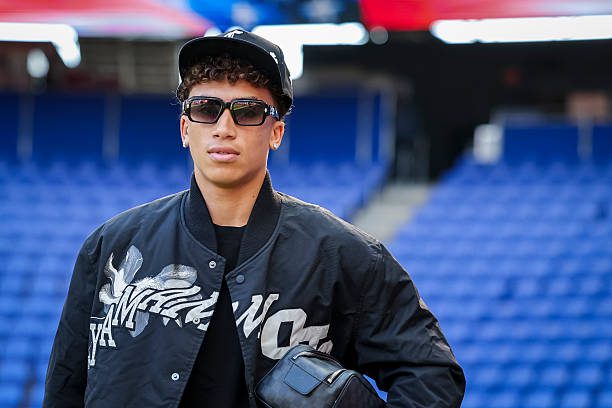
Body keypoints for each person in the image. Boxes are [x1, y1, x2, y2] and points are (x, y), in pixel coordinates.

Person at [43, 29, 465, 407]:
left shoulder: (343, 253)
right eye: (206, 108)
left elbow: (432, 376)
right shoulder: (112, 245)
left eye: (247, 111)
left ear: (276, 132)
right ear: (185, 128)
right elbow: (65, 386)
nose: (224, 127)